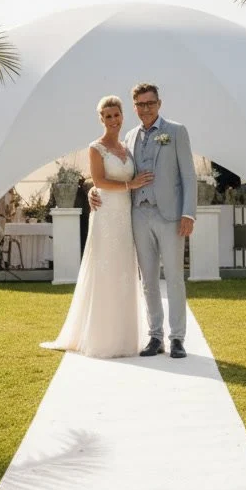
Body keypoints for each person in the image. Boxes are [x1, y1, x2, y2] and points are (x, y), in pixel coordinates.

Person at [89, 83, 197, 358]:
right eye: (140, 104)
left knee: (174, 277)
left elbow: (188, 176)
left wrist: (188, 213)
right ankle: (155, 336)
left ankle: (177, 339)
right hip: (138, 214)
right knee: (148, 279)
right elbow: (115, 173)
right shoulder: (130, 137)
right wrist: (94, 189)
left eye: (150, 103)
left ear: (159, 104)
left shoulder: (176, 131)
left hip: (171, 215)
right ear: (134, 107)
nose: (145, 109)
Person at [41, 95, 153, 358]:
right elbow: (99, 182)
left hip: (126, 216)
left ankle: (125, 337)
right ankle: (102, 338)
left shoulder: (128, 148)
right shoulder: (95, 148)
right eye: (108, 116)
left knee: (124, 270)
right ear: (101, 119)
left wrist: (133, 188)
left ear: (123, 116)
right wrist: (130, 185)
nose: (113, 120)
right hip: (105, 216)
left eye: (117, 115)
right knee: (104, 269)